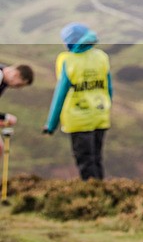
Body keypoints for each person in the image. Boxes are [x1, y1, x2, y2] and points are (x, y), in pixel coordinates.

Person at [42, 23, 113, 181]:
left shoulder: (68, 60)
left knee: (85, 162)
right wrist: (106, 107)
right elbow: (109, 88)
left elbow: (60, 95)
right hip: (100, 115)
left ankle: (92, 198)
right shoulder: (101, 57)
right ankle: (102, 193)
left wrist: (51, 124)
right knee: (96, 158)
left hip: (78, 119)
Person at [0, 63, 34, 128]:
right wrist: (5, 117)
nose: (18, 88)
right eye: (19, 85)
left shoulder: (4, 82)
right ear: (16, 74)